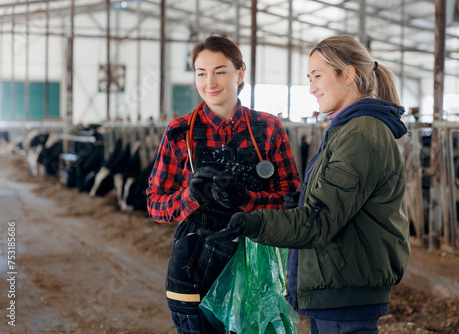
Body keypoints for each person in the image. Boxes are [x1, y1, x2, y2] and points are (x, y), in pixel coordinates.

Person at [209, 35, 411, 334]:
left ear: (348, 75)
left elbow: (320, 221)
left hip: (346, 289)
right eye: (309, 77)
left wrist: (252, 223)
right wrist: (282, 201)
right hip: (340, 283)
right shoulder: (346, 130)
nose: (311, 87)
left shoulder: (360, 134)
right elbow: (326, 205)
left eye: (317, 76)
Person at [146, 36, 300, 334]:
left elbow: (289, 200)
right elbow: (155, 205)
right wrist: (189, 196)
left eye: (220, 71)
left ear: (240, 74)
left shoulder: (268, 128)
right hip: (194, 265)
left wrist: (247, 199)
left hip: (257, 265)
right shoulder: (180, 132)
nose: (210, 82)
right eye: (201, 73)